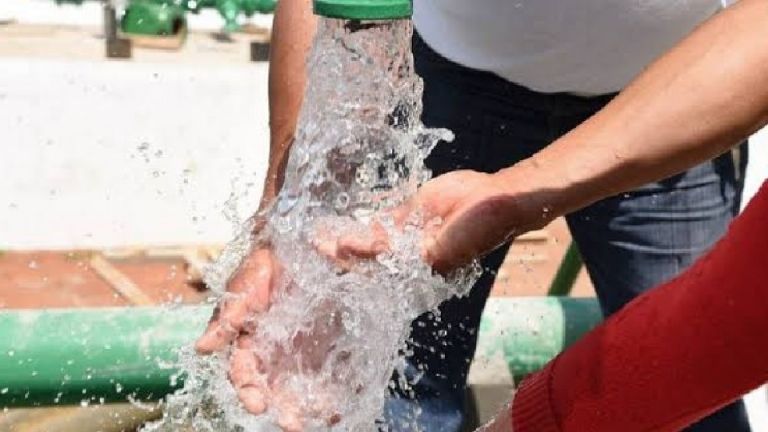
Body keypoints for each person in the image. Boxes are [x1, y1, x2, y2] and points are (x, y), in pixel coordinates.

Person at [197, 0, 756, 431]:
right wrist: (294, 220)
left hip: (684, 92)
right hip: (452, 81)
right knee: (403, 386)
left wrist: (514, 193)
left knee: (698, 376)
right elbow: (339, 14)